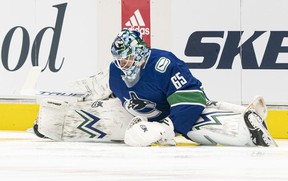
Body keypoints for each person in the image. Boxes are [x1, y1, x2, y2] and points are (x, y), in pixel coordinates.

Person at [109, 29, 277, 147]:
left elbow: (191, 96)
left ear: (139, 52)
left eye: (126, 59)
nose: (122, 65)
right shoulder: (115, 71)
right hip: (156, 119)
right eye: (119, 60)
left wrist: (168, 127)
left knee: (201, 128)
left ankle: (246, 126)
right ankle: (246, 117)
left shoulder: (164, 63)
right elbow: (107, 90)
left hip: (177, 115)